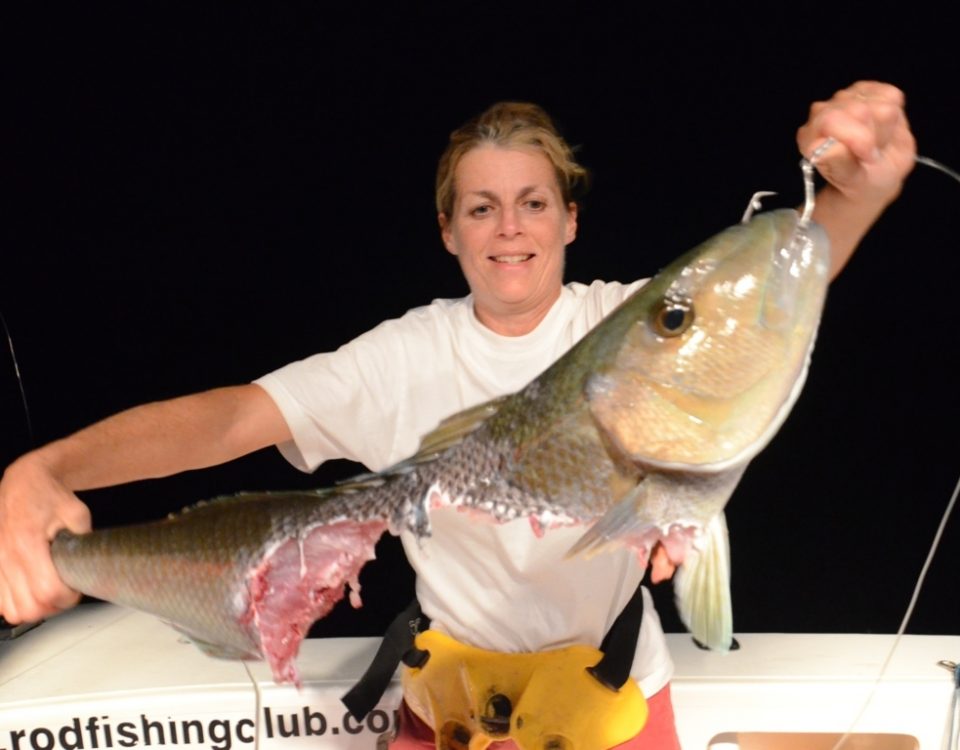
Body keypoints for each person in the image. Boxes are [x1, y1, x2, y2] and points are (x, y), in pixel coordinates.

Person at [0, 80, 915, 748]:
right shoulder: (403, 356)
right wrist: (45, 472)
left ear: (569, 223)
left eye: (531, 204)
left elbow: (779, 279)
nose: (508, 227)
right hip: (446, 717)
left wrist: (864, 181)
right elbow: (230, 420)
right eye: (482, 208)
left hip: (611, 706)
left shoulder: (618, 321)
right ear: (450, 231)